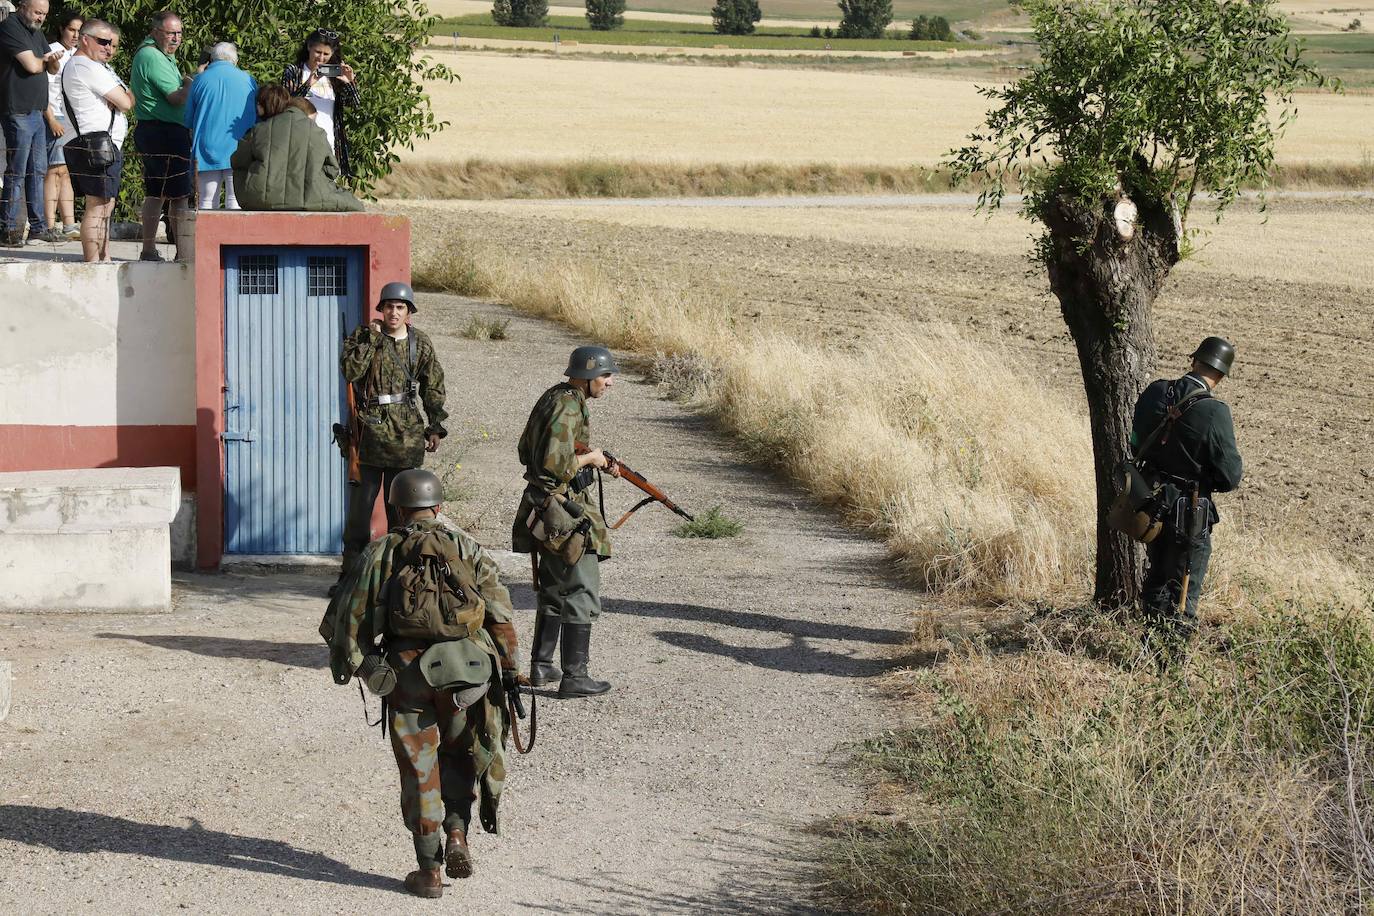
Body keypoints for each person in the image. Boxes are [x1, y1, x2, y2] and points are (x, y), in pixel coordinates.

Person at [320, 468, 516, 898]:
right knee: (460, 756)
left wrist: (364, 665)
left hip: (407, 674)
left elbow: (343, 623)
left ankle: (428, 870)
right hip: (466, 673)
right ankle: (459, 834)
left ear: (396, 508)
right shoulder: (468, 547)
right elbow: (500, 613)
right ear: (439, 506)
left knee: (419, 767)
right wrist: (512, 670)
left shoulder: (383, 551)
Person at [512, 346, 621, 699]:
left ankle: (542, 665)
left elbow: (527, 450)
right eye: (605, 376)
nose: (609, 382)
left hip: (544, 506)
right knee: (580, 585)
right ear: (588, 376)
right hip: (562, 508)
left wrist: (593, 459)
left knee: (554, 586)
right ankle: (575, 676)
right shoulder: (569, 404)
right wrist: (590, 457)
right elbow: (554, 465)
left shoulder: (555, 396)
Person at [1131, 336, 1244, 650]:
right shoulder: (1214, 412)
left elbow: (1135, 442)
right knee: (1184, 588)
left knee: (1156, 576)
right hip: (1190, 511)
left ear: (1194, 361)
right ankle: (1171, 665)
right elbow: (1231, 476)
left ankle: (1149, 650)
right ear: (1221, 375)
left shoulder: (1156, 391)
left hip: (1150, 505)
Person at [335, 280, 447, 591]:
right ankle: (349, 578)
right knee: (359, 515)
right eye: (389, 306)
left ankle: (401, 578)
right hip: (368, 435)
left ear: (408, 311)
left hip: (406, 437)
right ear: (381, 310)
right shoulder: (363, 337)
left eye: (400, 307)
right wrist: (371, 339)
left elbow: (433, 386)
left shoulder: (419, 343)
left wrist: (435, 424)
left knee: (401, 511)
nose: (394, 312)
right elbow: (351, 371)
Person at [230, 84, 362, 212]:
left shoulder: (258, 130)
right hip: (310, 197)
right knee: (355, 204)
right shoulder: (317, 132)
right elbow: (332, 169)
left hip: (259, 198)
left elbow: (238, 161)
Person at [61, 19, 130, 263]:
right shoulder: (84, 65)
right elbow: (126, 102)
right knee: (98, 205)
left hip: (99, 144)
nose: (109, 48)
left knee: (106, 204)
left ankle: (103, 258)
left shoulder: (97, 67)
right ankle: (92, 264)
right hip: (94, 144)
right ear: (85, 39)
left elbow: (127, 96)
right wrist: (120, 96)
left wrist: (121, 95)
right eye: (103, 41)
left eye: (112, 44)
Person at [0, 0, 64, 246]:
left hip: (37, 111)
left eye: (45, 14)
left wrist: (51, 59)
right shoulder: (10, 27)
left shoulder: (35, 33)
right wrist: (46, 60)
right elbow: (32, 65)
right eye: (37, 12)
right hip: (17, 111)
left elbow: (52, 69)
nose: (41, 18)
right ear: (23, 6)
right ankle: (8, 229)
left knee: (37, 172)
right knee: (16, 172)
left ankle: (38, 227)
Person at [129, 10, 191, 261]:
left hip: (160, 130)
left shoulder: (157, 54)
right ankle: (180, 252)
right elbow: (176, 98)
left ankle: (155, 249)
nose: (176, 38)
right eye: (170, 33)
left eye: (179, 33)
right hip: (163, 132)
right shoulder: (153, 56)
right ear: (155, 32)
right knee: (174, 196)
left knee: (164, 194)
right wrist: (191, 82)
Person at [184, 41, 254, 210]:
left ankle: (207, 237)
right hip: (239, 146)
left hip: (207, 146)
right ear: (235, 60)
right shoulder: (248, 80)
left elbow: (188, 118)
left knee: (206, 200)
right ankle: (233, 237)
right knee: (235, 199)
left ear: (212, 60)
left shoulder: (199, 80)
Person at [282, 28, 359, 179]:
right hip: (299, 143)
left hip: (328, 143)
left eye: (326, 54)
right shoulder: (294, 72)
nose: (321, 58)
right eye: (318, 52)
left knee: (327, 192)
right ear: (309, 47)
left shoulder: (334, 76)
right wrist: (308, 83)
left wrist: (349, 83)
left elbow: (355, 104)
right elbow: (286, 104)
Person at [41, 9, 78, 239]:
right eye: (71, 29)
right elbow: (42, 89)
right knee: (54, 171)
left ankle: (69, 223)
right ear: (62, 29)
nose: (75, 35)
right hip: (56, 117)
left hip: (73, 120)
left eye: (79, 31)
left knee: (66, 172)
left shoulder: (78, 55)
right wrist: (51, 118)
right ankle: (49, 224)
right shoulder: (53, 51)